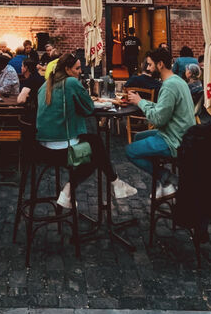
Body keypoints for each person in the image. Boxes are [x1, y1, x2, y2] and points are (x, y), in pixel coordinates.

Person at [36, 54, 137, 208]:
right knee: (96, 151)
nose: (80, 71)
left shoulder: (46, 85)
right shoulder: (71, 82)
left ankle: (115, 183)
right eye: (77, 68)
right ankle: (72, 190)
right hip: (63, 150)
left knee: (94, 143)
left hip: (43, 148)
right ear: (67, 69)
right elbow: (89, 107)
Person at [125, 47, 196, 197]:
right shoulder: (178, 81)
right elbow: (163, 109)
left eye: (151, 65)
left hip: (174, 140)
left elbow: (158, 119)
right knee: (138, 137)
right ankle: (163, 182)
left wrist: (140, 103)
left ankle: (167, 179)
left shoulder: (169, 86)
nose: (149, 69)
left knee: (130, 151)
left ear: (160, 64)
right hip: (182, 133)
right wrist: (142, 101)